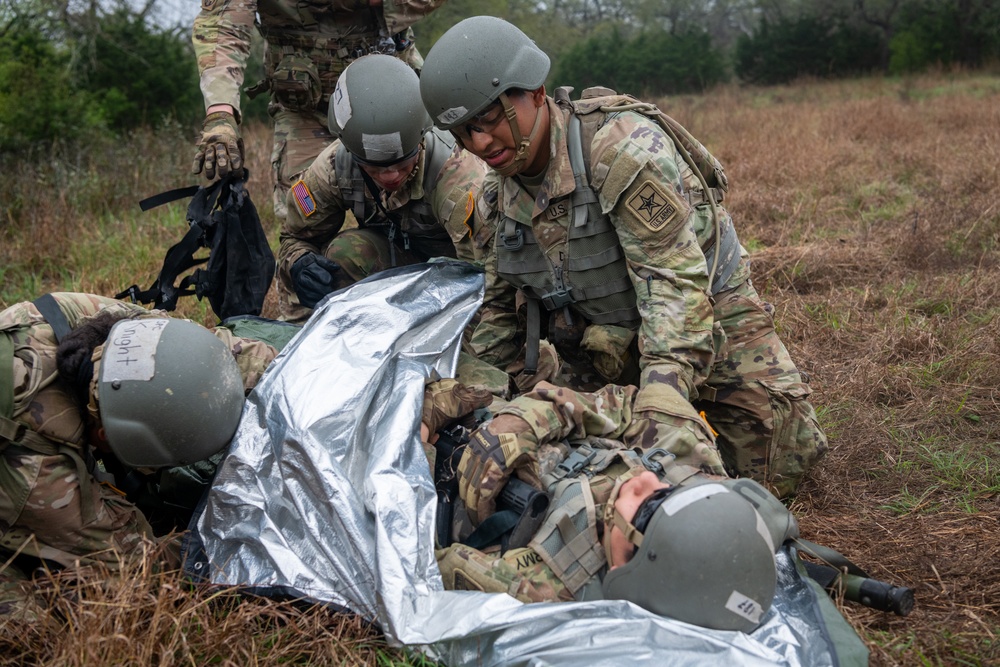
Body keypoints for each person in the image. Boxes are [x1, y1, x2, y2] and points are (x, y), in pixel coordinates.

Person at [418, 17, 827, 498]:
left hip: (709, 328)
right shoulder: (497, 200)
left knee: (777, 471)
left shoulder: (621, 151)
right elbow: (498, 321)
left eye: (488, 123)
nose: (480, 145)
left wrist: (662, 409)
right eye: (464, 133)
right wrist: (469, 395)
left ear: (534, 91)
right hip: (603, 350)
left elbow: (676, 294)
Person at [432, 382, 797, 633]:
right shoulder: (693, 458)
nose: (645, 481)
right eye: (669, 492)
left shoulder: (535, 592)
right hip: (501, 410)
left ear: (624, 566)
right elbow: (623, 402)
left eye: (647, 508)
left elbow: (428, 564)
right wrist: (520, 423)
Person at [276, 53, 488, 322]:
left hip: (460, 280)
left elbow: (487, 276)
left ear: (420, 140)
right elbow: (295, 238)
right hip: (399, 266)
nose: (390, 176)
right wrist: (299, 262)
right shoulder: (333, 168)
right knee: (345, 254)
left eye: (402, 163)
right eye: (374, 167)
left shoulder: (458, 177)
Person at [191, 0, 446, 218]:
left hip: (393, 100)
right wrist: (220, 114)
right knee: (304, 216)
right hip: (305, 108)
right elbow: (223, 31)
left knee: (425, 203)